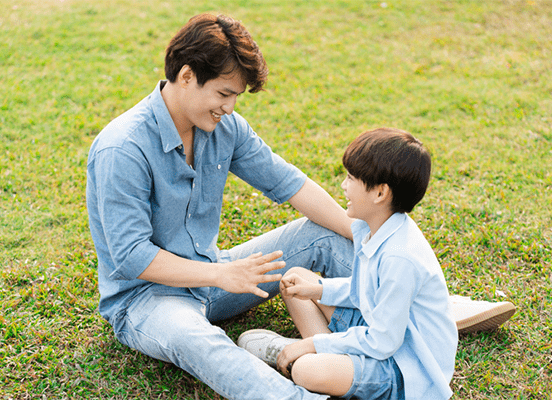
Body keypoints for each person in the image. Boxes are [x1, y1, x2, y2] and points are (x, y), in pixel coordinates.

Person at [86, 13, 515, 400]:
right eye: (223, 93)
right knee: (199, 340)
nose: (230, 107)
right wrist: (222, 273)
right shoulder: (122, 149)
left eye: (237, 96)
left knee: (324, 231)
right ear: (185, 75)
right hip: (147, 299)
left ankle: (413, 312)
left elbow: (289, 183)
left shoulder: (224, 127)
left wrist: (382, 242)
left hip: (216, 276)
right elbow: (131, 257)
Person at [239, 128, 456, 399]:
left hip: (403, 367)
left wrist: (314, 344)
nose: (344, 185)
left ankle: (309, 359)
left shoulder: (400, 257)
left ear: (380, 193)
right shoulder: (371, 227)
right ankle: (320, 358)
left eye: (352, 178)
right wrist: (318, 290)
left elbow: (383, 342)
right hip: (379, 334)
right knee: (295, 280)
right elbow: (364, 291)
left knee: (307, 371)